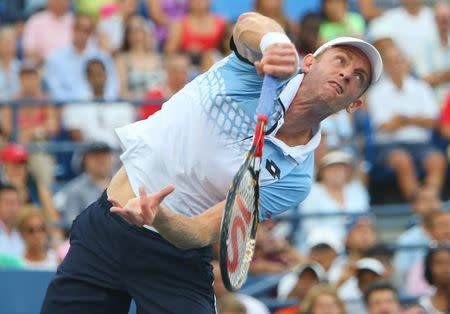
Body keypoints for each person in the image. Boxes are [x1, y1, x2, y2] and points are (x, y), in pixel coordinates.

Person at [40, 12, 382, 314]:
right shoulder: (260, 68)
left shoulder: (295, 178)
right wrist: (275, 41)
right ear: (309, 61)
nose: (347, 73)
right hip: (107, 228)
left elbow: (202, 230)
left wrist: (159, 215)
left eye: (359, 77)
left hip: (175, 260)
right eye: (340, 60)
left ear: (355, 105)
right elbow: (248, 25)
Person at [417, 243, 450, 314]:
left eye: (448, 263)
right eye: (439, 263)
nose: (445, 269)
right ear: (429, 268)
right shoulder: (423, 304)